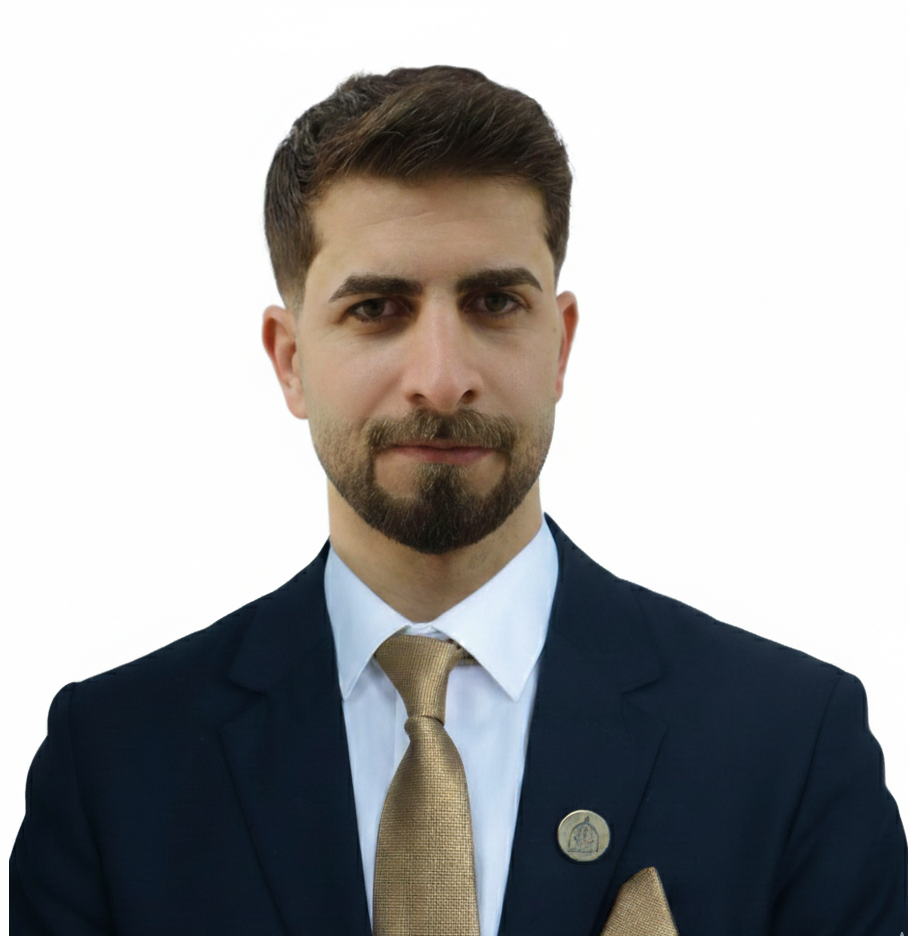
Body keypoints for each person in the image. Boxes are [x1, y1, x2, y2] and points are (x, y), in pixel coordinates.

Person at [10, 65, 906, 936]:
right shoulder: (113, 765)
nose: (442, 380)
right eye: (376, 309)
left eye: (493, 302)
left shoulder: (790, 745)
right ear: (290, 361)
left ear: (560, 346)